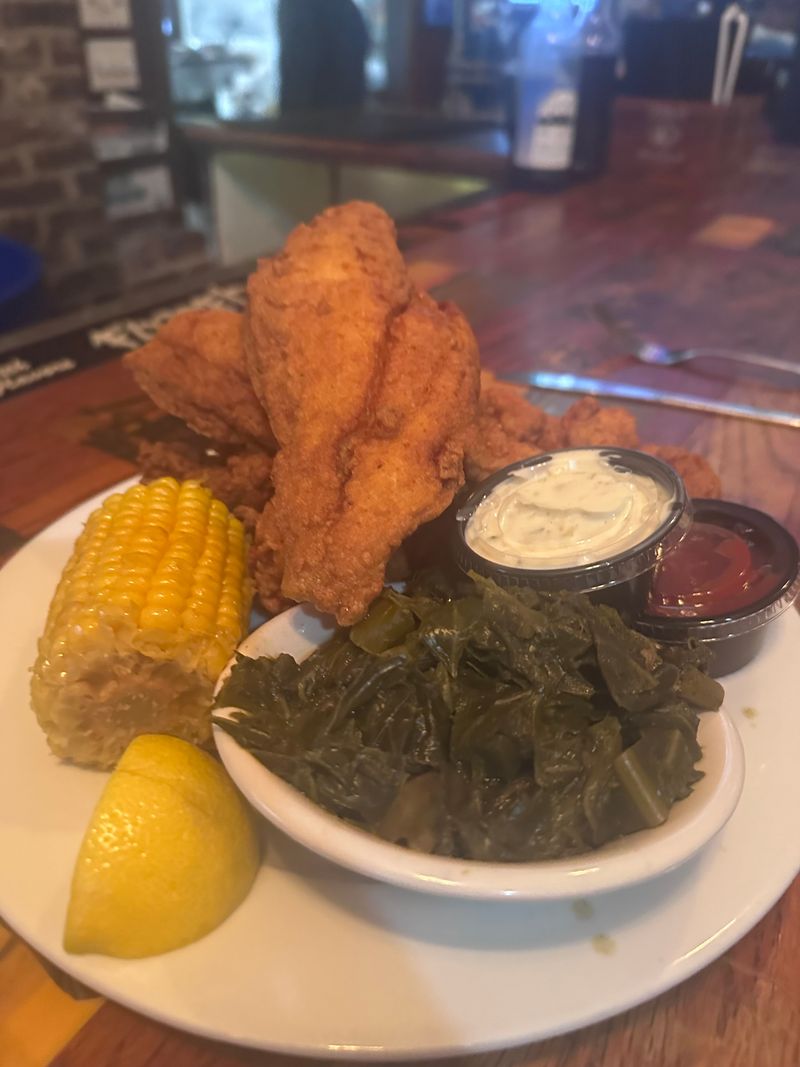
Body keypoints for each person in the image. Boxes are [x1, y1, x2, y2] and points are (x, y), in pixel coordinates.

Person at [277, 0, 369, 114]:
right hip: (344, 115)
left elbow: (299, 67)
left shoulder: (298, 6)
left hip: (314, 116)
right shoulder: (346, 8)